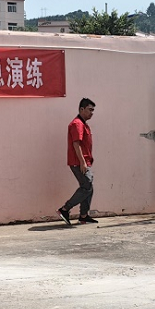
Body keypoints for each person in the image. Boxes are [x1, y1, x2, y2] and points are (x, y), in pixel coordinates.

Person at [58, 97, 96, 226]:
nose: (92, 113)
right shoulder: (77, 124)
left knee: (88, 187)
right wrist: (82, 162)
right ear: (81, 109)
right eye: (90, 110)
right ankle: (64, 209)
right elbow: (76, 143)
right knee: (87, 186)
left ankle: (83, 216)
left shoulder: (83, 124)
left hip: (84, 161)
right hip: (78, 162)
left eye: (93, 110)